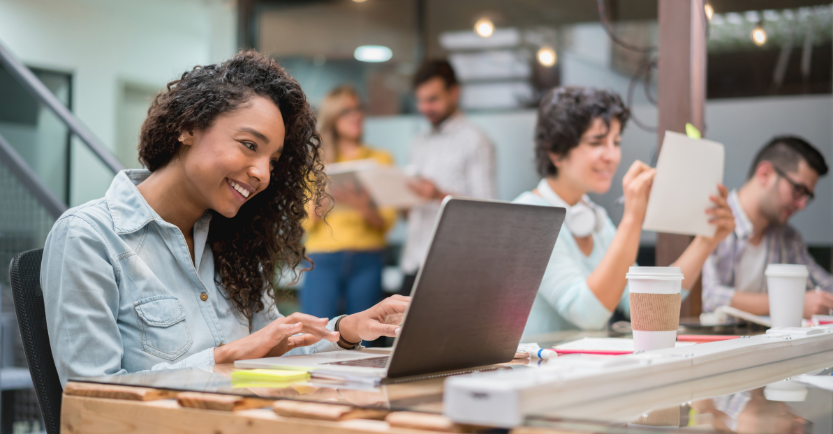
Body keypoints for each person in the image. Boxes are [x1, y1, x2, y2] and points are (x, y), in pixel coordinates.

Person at [40, 51, 409, 386]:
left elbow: (275, 349)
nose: (263, 174)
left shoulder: (234, 243)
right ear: (188, 127)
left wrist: (345, 330)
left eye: (273, 161)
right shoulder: (89, 238)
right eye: (250, 146)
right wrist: (224, 358)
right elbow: (89, 396)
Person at [513, 86, 736, 335]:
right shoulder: (528, 216)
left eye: (616, 142)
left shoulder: (595, 218)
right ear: (555, 151)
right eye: (596, 142)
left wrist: (707, 241)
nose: (612, 155)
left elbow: (650, 305)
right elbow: (587, 314)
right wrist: (633, 217)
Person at [702, 136, 833, 317]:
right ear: (765, 174)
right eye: (798, 190)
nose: (802, 204)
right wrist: (791, 303)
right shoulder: (714, 218)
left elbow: (825, 285)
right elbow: (711, 297)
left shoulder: (788, 238)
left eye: (807, 197)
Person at [399, 59, 496, 294]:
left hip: (450, 266)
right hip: (413, 261)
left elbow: (488, 211)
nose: (424, 108)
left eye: (432, 99)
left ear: (454, 93)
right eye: (420, 100)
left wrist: (438, 195)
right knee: (399, 331)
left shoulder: (475, 140)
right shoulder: (420, 141)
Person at [301, 86, 397, 319]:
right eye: (347, 111)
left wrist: (362, 206)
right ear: (333, 117)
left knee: (365, 337)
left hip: (368, 258)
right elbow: (306, 221)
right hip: (323, 258)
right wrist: (327, 196)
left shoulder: (380, 159)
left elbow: (386, 223)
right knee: (317, 334)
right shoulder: (315, 163)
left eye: (358, 109)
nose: (356, 115)